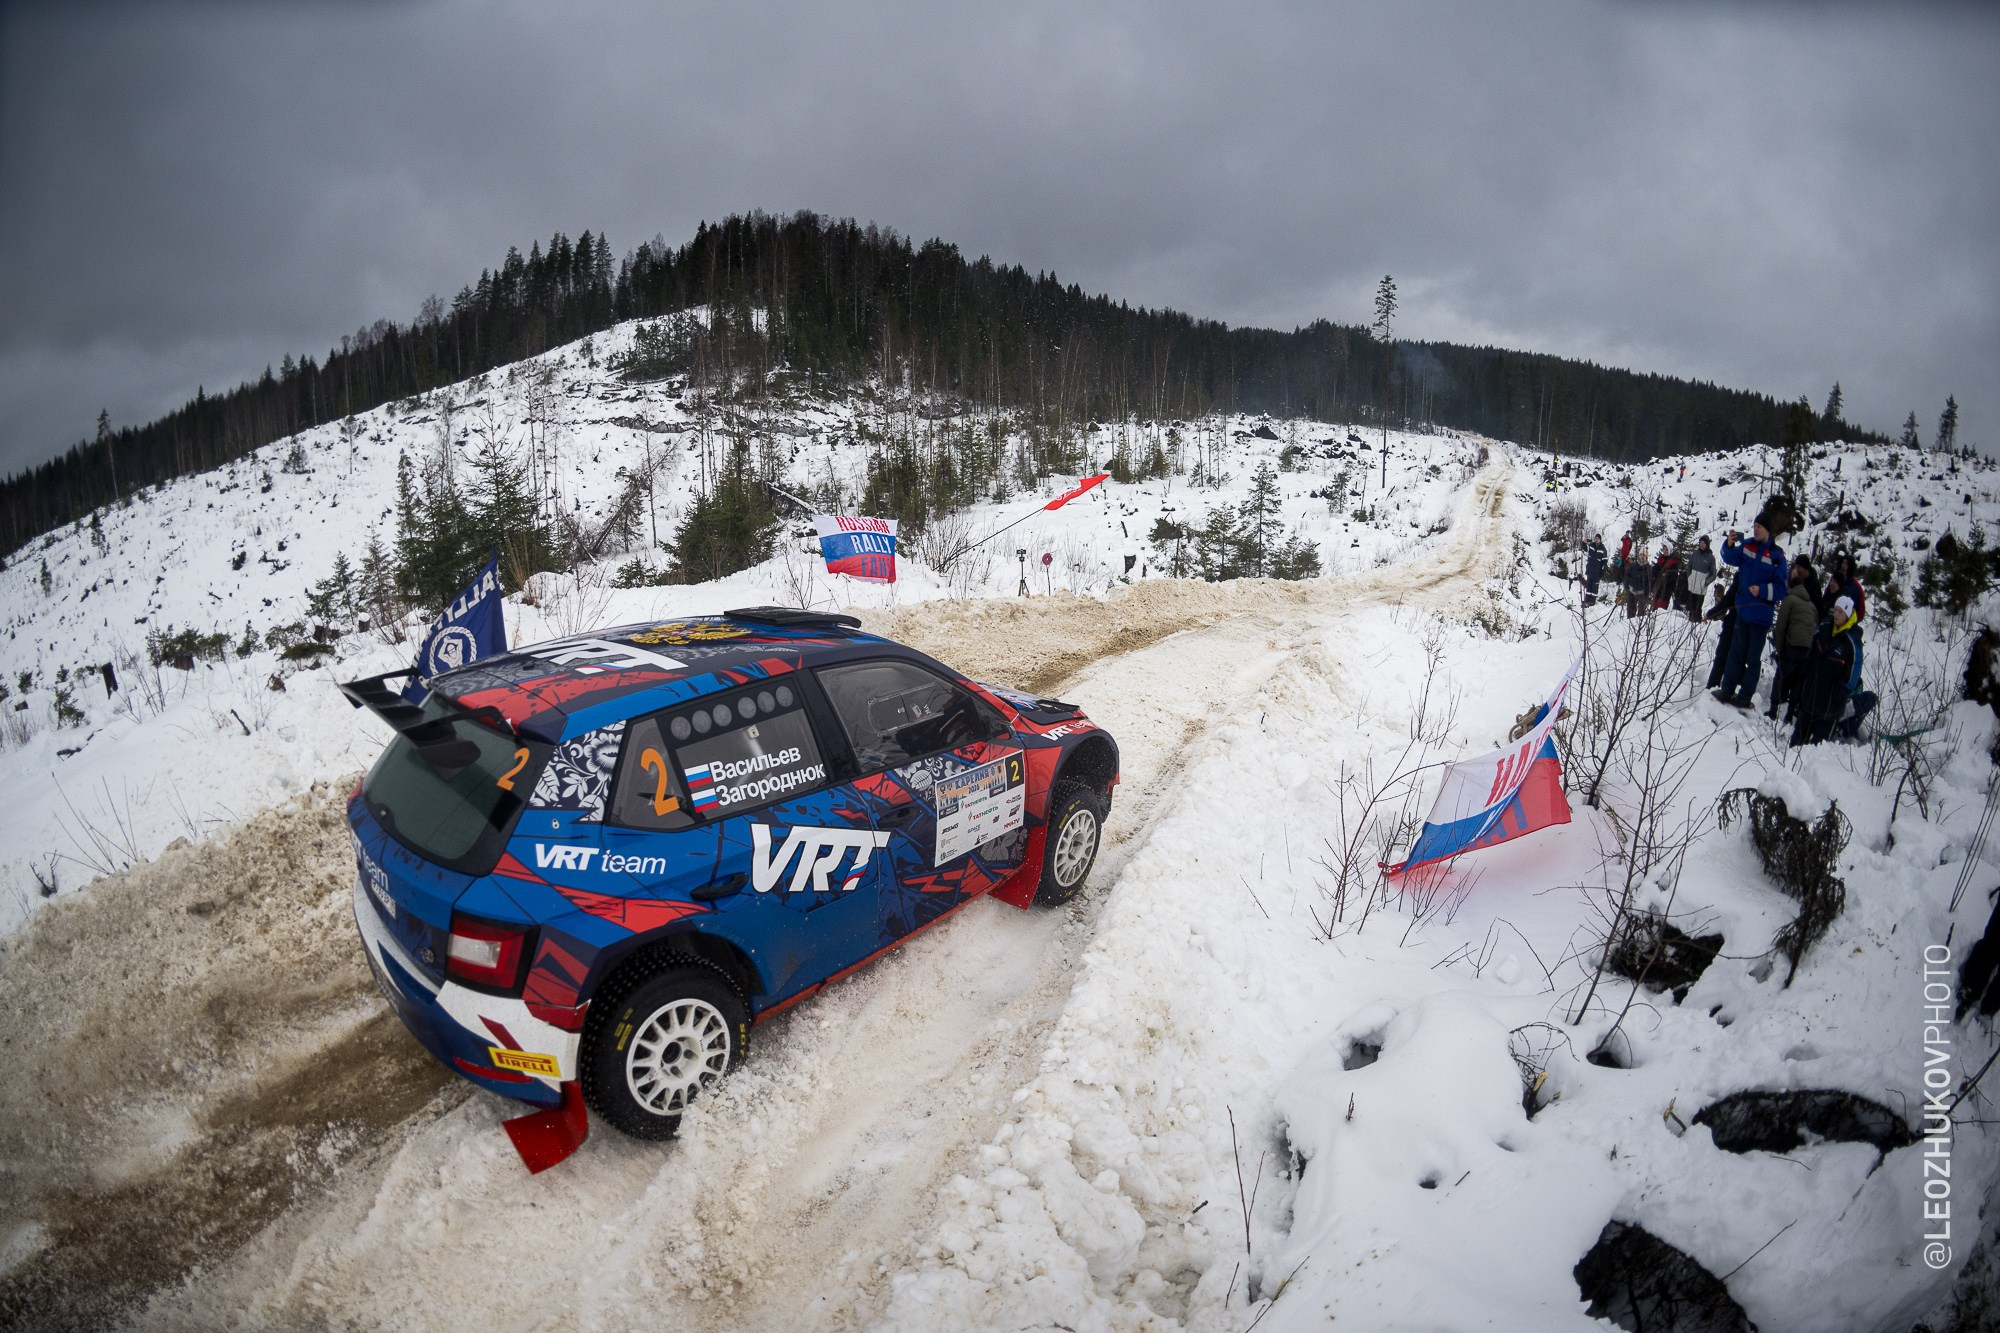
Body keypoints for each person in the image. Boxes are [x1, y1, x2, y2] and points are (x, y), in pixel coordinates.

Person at [1713, 506, 1789, 708]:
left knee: (1753, 659)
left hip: (1761, 617)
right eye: (1755, 526)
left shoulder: (1777, 556)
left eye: (1760, 527)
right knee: (1735, 653)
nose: (1756, 529)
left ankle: (1745, 697)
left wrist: (1762, 590)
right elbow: (1729, 558)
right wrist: (1729, 545)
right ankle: (1727, 690)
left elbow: (1782, 589)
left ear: (1768, 530)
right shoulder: (1747, 546)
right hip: (1743, 611)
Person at [1791, 595, 1866, 746]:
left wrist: (1841, 690)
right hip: (1811, 696)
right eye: (1836, 610)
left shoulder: (1852, 641)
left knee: (1818, 749)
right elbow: (1810, 652)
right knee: (1796, 742)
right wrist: (1805, 670)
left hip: (1830, 705)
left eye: (1841, 612)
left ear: (1848, 615)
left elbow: (1854, 673)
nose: (1837, 615)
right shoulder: (1824, 628)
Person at [1768, 565, 1818, 721]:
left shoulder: (1789, 600)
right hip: (1806, 650)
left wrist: (1780, 650)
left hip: (1792, 646)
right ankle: (1789, 715)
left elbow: (1781, 627)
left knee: (1780, 676)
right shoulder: (1812, 606)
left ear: (1790, 587)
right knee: (1797, 681)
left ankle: (1773, 710)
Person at [1824, 551, 1866, 623]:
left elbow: (1860, 611)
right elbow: (1825, 598)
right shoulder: (1834, 579)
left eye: (1846, 564)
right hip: (1827, 618)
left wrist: (1849, 621)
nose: (1843, 565)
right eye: (1843, 563)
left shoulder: (1855, 587)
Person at [1686, 536, 1717, 621]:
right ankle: (1690, 623)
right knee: (1691, 607)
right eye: (1701, 543)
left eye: (1704, 543)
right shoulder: (1695, 553)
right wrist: (1689, 577)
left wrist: (1705, 582)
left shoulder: (1711, 558)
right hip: (1692, 585)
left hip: (1701, 588)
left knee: (1697, 608)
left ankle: (1697, 622)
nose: (1702, 545)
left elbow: (1713, 574)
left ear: (1707, 544)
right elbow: (1689, 566)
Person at [1623, 540, 1652, 618]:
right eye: (1641, 554)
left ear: (1646, 557)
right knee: (1630, 612)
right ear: (1639, 555)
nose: (1642, 556)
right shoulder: (1633, 566)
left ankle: (1640, 624)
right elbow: (1627, 576)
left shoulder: (1649, 568)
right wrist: (1626, 586)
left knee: (1641, 614)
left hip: (1642, 593)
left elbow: (1650, 582)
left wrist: (1647, 592)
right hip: (1631, 591)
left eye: (1644, 555)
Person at [1649, 546, 1682, 611]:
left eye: (1666, 549)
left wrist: (1666, 575)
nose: (1665, 551)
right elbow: (1655, 571)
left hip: (1667, 588)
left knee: (1661, 608)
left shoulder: (1674, 561)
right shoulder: (1661, 559)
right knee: (1654, 606)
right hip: (1658, 586)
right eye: (1664, 549)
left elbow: (1674, 575)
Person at [1583, 534, 1608, 606]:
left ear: (1600, 540)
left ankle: (1592, 601)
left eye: (1598, 538)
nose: (1596, 540)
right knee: (1589, 586)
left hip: (1597, 572)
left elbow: (1605, 562)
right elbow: (1584, 549)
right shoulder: (1591, 546)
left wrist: (1602, 572)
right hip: (1590, 570)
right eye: (1595, 538)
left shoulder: (1603, 549)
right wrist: (1584, 543)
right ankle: (1587, 600)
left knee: (1594, 587)